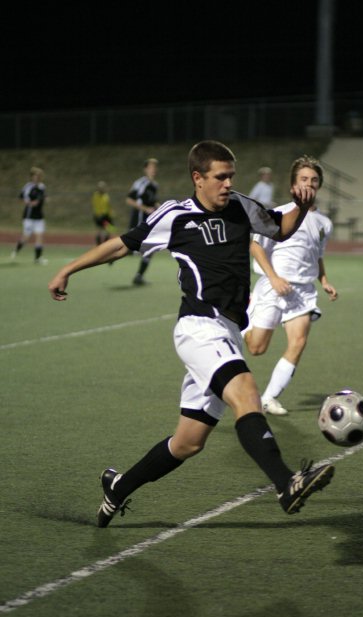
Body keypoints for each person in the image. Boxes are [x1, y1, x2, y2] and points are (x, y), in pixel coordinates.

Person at [48, 140, 335, 528]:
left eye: (231, 175)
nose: (228, 184)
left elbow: (279, 230)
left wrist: (300, 207)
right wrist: (69, 268)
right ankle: (286, 483)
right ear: (197, 178)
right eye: (220, 177)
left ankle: (117, 487)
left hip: (229, 332)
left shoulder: (241, 206)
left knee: (188, 442)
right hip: (200, 327)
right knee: (247, 393)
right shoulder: (175, 215)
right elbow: (122, 246)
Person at [244, 155, 338, 416]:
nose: (309, 184)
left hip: (303, 292)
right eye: (304, 179)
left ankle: (269, 397)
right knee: (256, 348)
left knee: (298, 342)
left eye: (314, 180)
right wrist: (273, 277)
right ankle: (245, 313)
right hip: (273, 286)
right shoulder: (279, 214)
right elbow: (255, 246)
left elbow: (316, 255)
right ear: (293, 186)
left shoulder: (324, 223)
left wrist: (324, 280)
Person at [125, 157, 160, 285]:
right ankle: (108, 257)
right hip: (138, 220)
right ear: (145, 169)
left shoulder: (154, 185)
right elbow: (129, 200)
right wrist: (145, 209)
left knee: (151, 248)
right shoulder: (140, 183)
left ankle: (139, 276)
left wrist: (158, 206)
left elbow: (152, 202)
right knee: (127, 247)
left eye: (155, 167)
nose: (153, 170)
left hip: (149, 221)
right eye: (151, 167)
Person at [11, 167, 48, 264]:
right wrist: (28, 203)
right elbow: (21, 198)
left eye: (39, 176)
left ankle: (38, 258)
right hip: (29, 216)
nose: (37, 178)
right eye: (35, 176)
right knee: (26, 237)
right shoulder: (28, 186)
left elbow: (43, 197)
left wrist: (43, 199)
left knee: (39, 236)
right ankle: (16, 251)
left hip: (39, 216)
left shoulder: (42, 186)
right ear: (32, 177)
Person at [91, 181, 116, 246]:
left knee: (109, 230)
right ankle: (99, 245)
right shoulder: (97, 196)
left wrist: (111, 214)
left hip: (105, 216)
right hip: (100, 216)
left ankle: (104, 244)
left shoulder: (105, 196)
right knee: (100, 230)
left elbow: (109, 206)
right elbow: (97, 205)